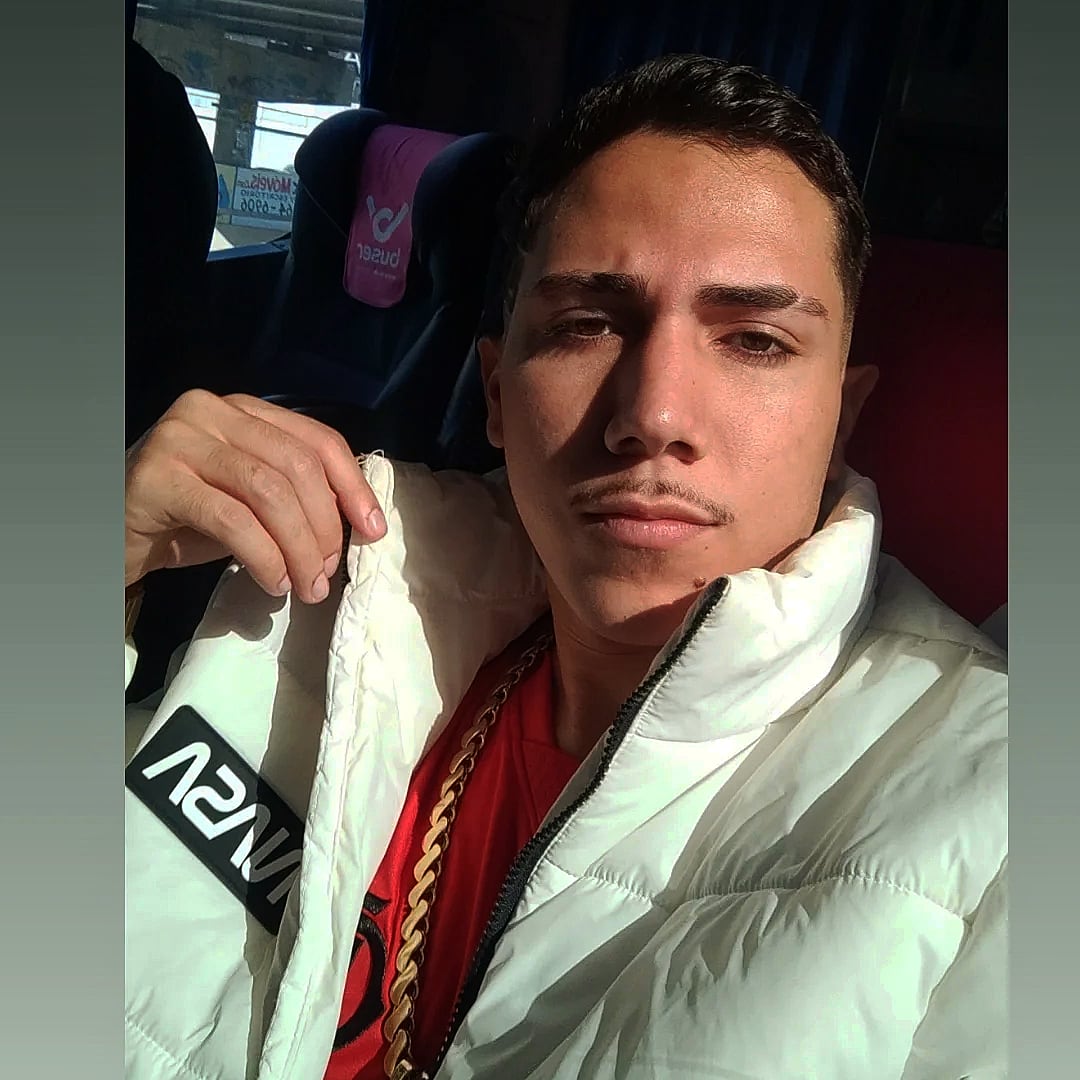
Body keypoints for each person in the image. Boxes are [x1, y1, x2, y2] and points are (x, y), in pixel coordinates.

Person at [124, 55, 1007, 1080]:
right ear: (496, 394)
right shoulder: (317, 600)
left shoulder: (996, 813)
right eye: (587, 325)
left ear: (842, 418)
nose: (654, 416)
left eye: (756, 342)